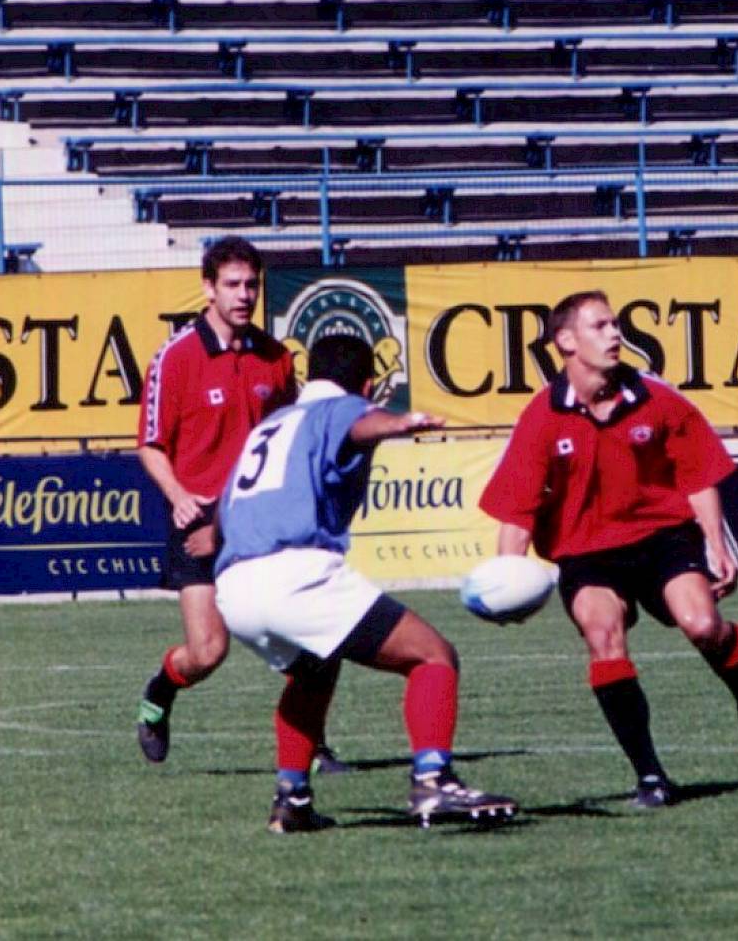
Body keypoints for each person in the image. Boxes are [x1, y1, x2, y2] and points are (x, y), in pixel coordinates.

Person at [479, 290, 738, 809]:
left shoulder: (655, 397)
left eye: (615, 324)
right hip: (586, 552)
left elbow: (697, 475)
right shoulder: (541, 416)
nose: (615, 334)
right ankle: (650, 777)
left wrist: (717, 544)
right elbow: (518, 510)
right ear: (566, 341)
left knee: (703, 627)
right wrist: (508, 579)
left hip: (662, 537)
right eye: (600, 326)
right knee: (603, 636)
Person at [215, 333, 517, 833]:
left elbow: (225, 515)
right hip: (294, 574)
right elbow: (358, 425)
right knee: (433, 656)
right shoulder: (340, 408)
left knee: (314, 670)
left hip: (233, 585)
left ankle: (292, 799)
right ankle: (434, 780)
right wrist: (398, 423)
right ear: (369, 384)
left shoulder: (270, 424)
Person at [135, 236, 353, 772]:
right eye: (232, 284)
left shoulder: (276, 359)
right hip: (199, 517)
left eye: (251, 284)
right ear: (208, 289)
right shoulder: (175, 358)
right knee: (208, 652)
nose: (243, 295)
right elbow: (150, 445)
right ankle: (161, 690)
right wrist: (179, 497)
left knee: (306, 637)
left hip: (261, 519)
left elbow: (293, 434)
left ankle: (312, 746)